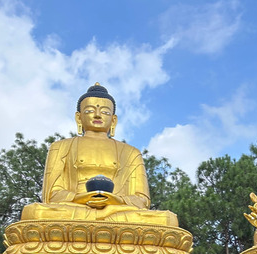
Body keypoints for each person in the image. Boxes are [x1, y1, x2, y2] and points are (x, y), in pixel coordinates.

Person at [21, 83, 177, 226]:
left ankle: (103, 220)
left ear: (113, 120)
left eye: (105, 112)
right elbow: (52, 196)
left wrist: (116, 200)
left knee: (168, 220)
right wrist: (81, 198)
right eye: (89, 111)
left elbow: (141, 200)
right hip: (75, 209)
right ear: (79, 117)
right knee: (34, 212)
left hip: (117, 211)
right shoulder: (60, 147)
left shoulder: (131, 153)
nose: (97, 115)